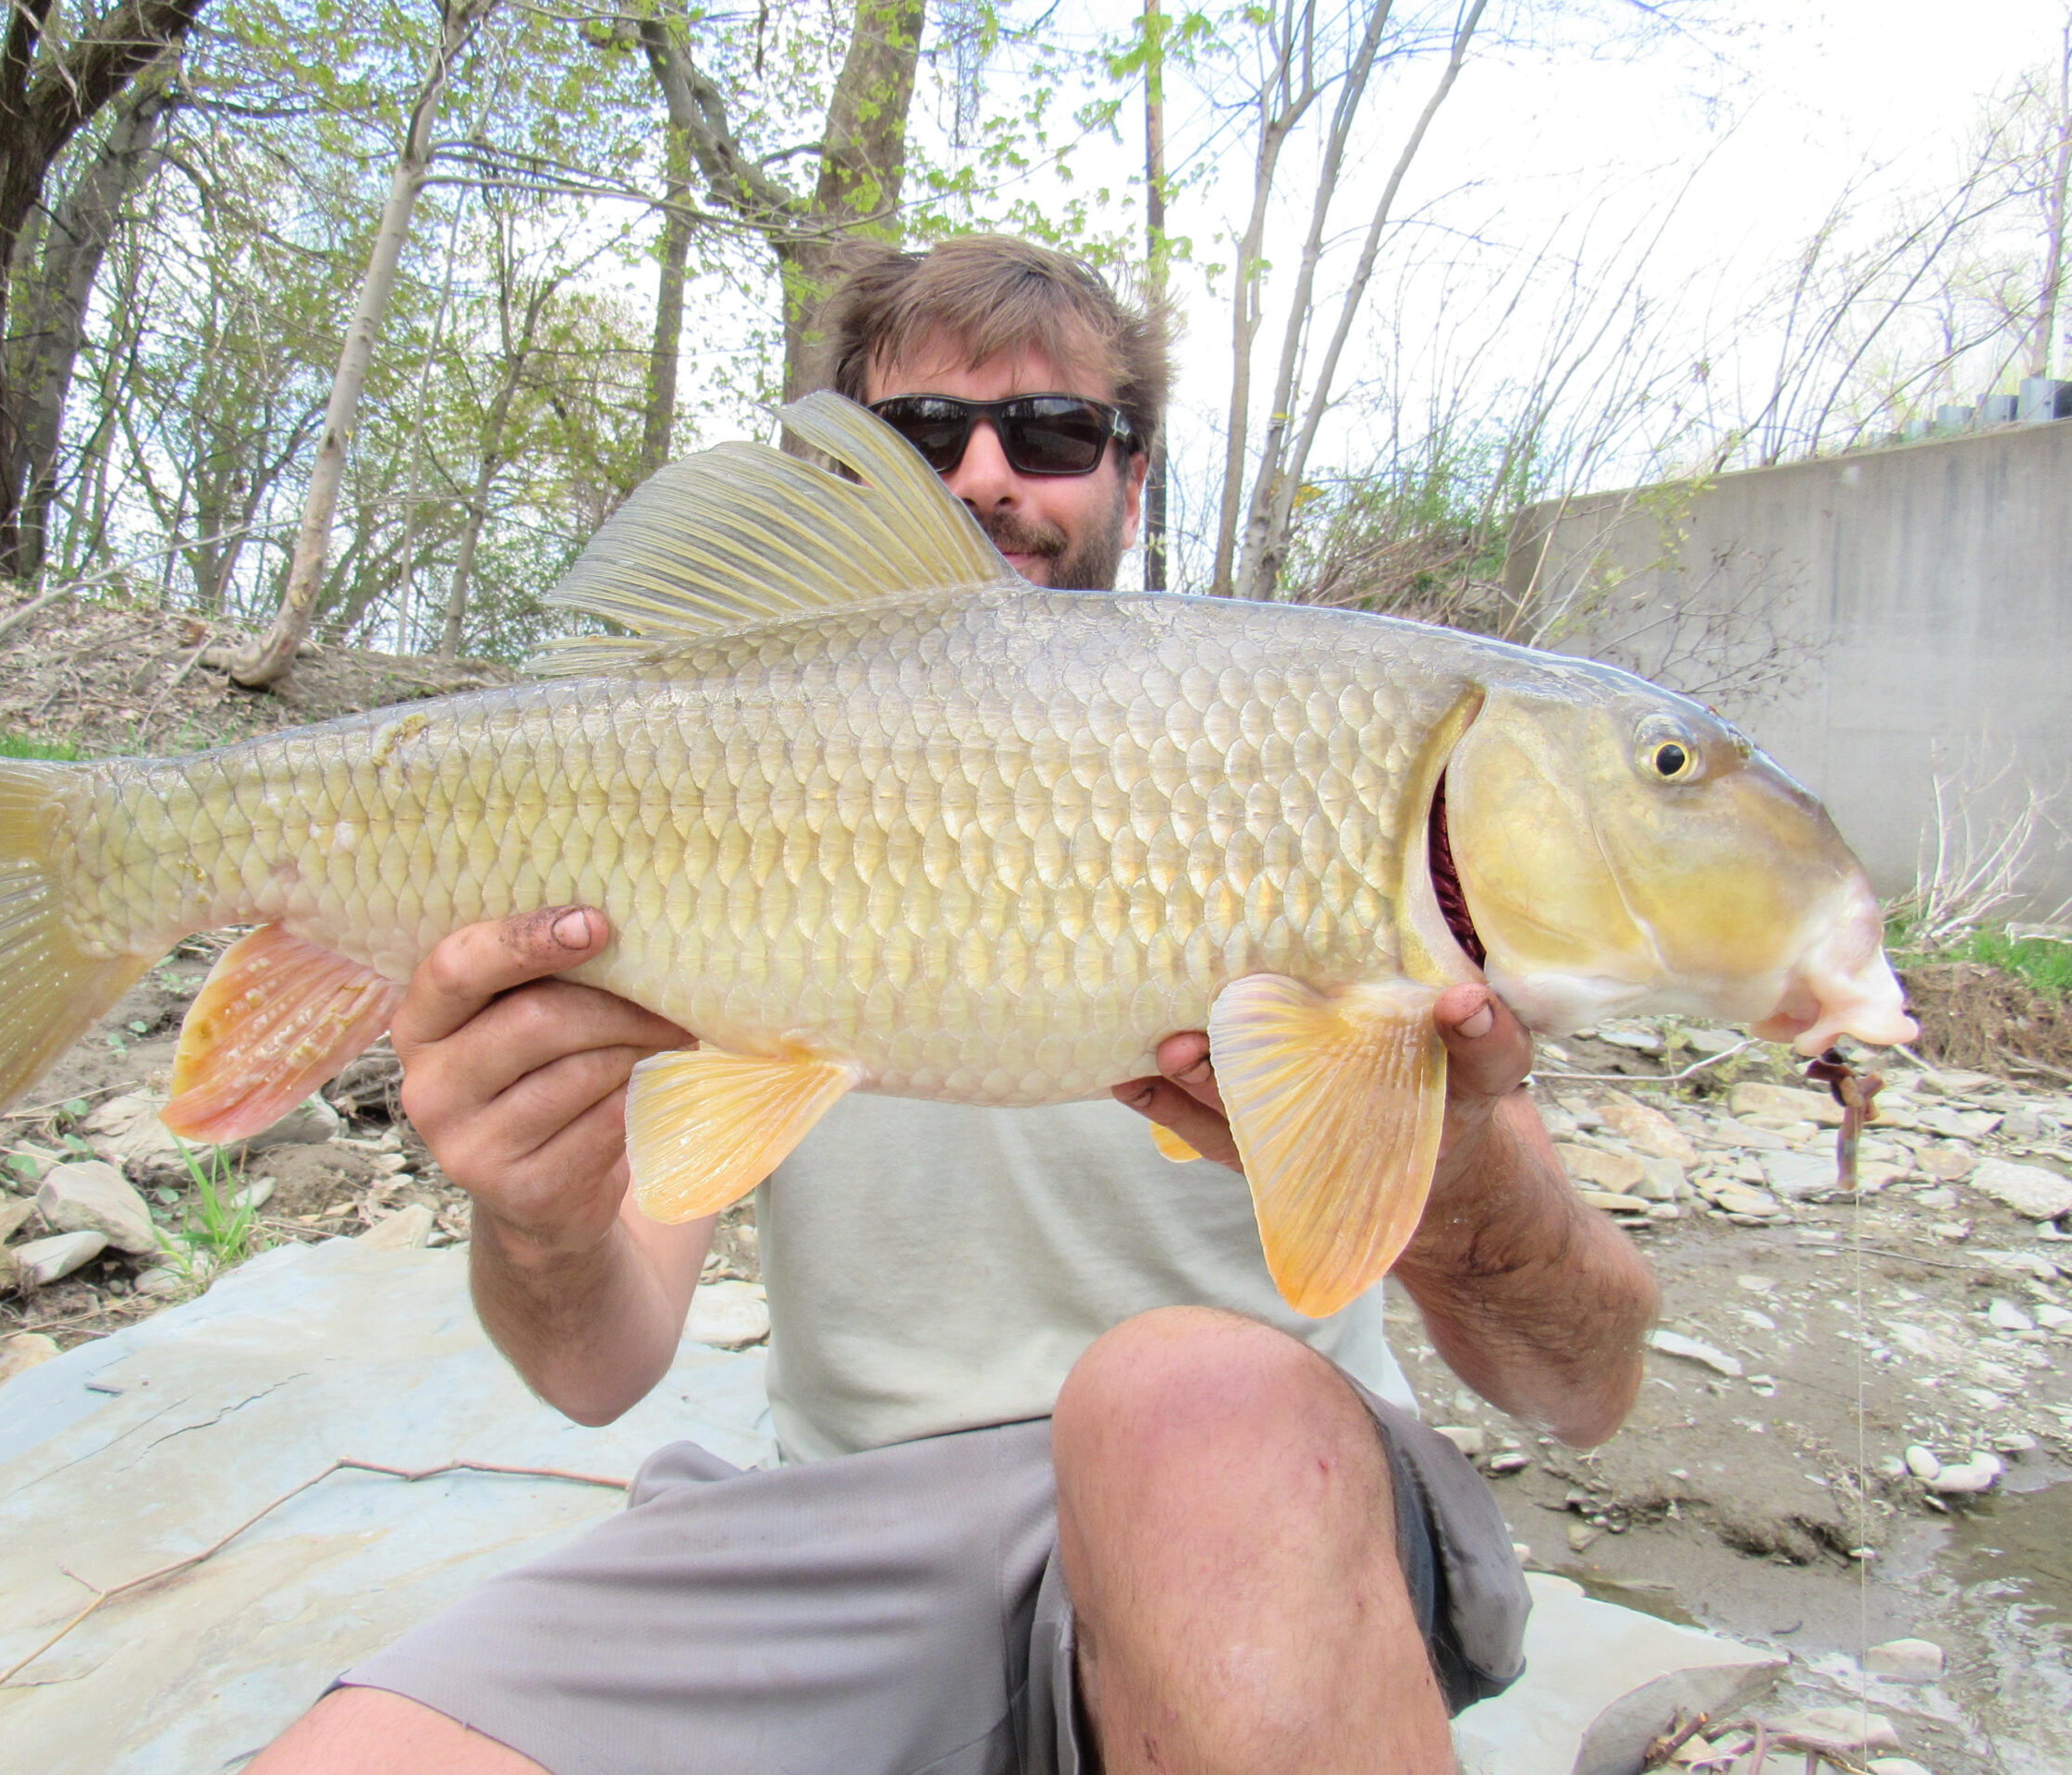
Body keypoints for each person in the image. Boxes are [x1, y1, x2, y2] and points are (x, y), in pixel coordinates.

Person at [251, 236, 1660, 1775]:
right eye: (923, 439)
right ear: (844, 482)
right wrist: (531, 1213)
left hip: (1260, 1515)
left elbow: (1579, 1387)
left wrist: (1448, 1171)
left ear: (1133, 474)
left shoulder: (1318, 759)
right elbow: (594, 1370)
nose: (987, 477)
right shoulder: (691, 784)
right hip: (850, 1551)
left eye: (1051, 433)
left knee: (1182, 1401)